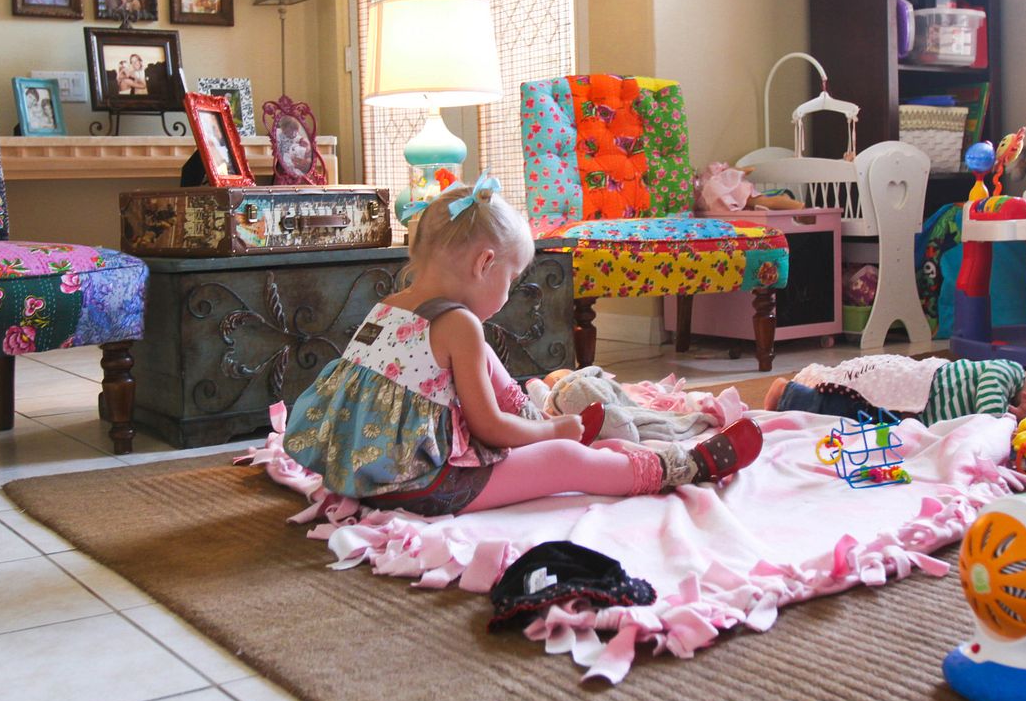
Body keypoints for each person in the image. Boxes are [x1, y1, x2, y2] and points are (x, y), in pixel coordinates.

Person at [282, 178, 765, 516]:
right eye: (511, 279)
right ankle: (683, 466)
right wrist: (551, 435)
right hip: (420, 486)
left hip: (366, 474)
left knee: (484, 357)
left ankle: (536, 420)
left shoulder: (389, 306)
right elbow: (488, 429)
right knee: (566, 463)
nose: (509, 292)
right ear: (484, 264)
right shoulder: (458, 324)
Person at [764, 355, 1026, 430]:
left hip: (909, 416)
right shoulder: (1009, 372)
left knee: (854, 422)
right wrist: (1007, 425)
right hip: (915, 388)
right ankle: (788, 395)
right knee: (848, 404)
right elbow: (986, 412)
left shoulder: (1011, 411)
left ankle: (797, 405)